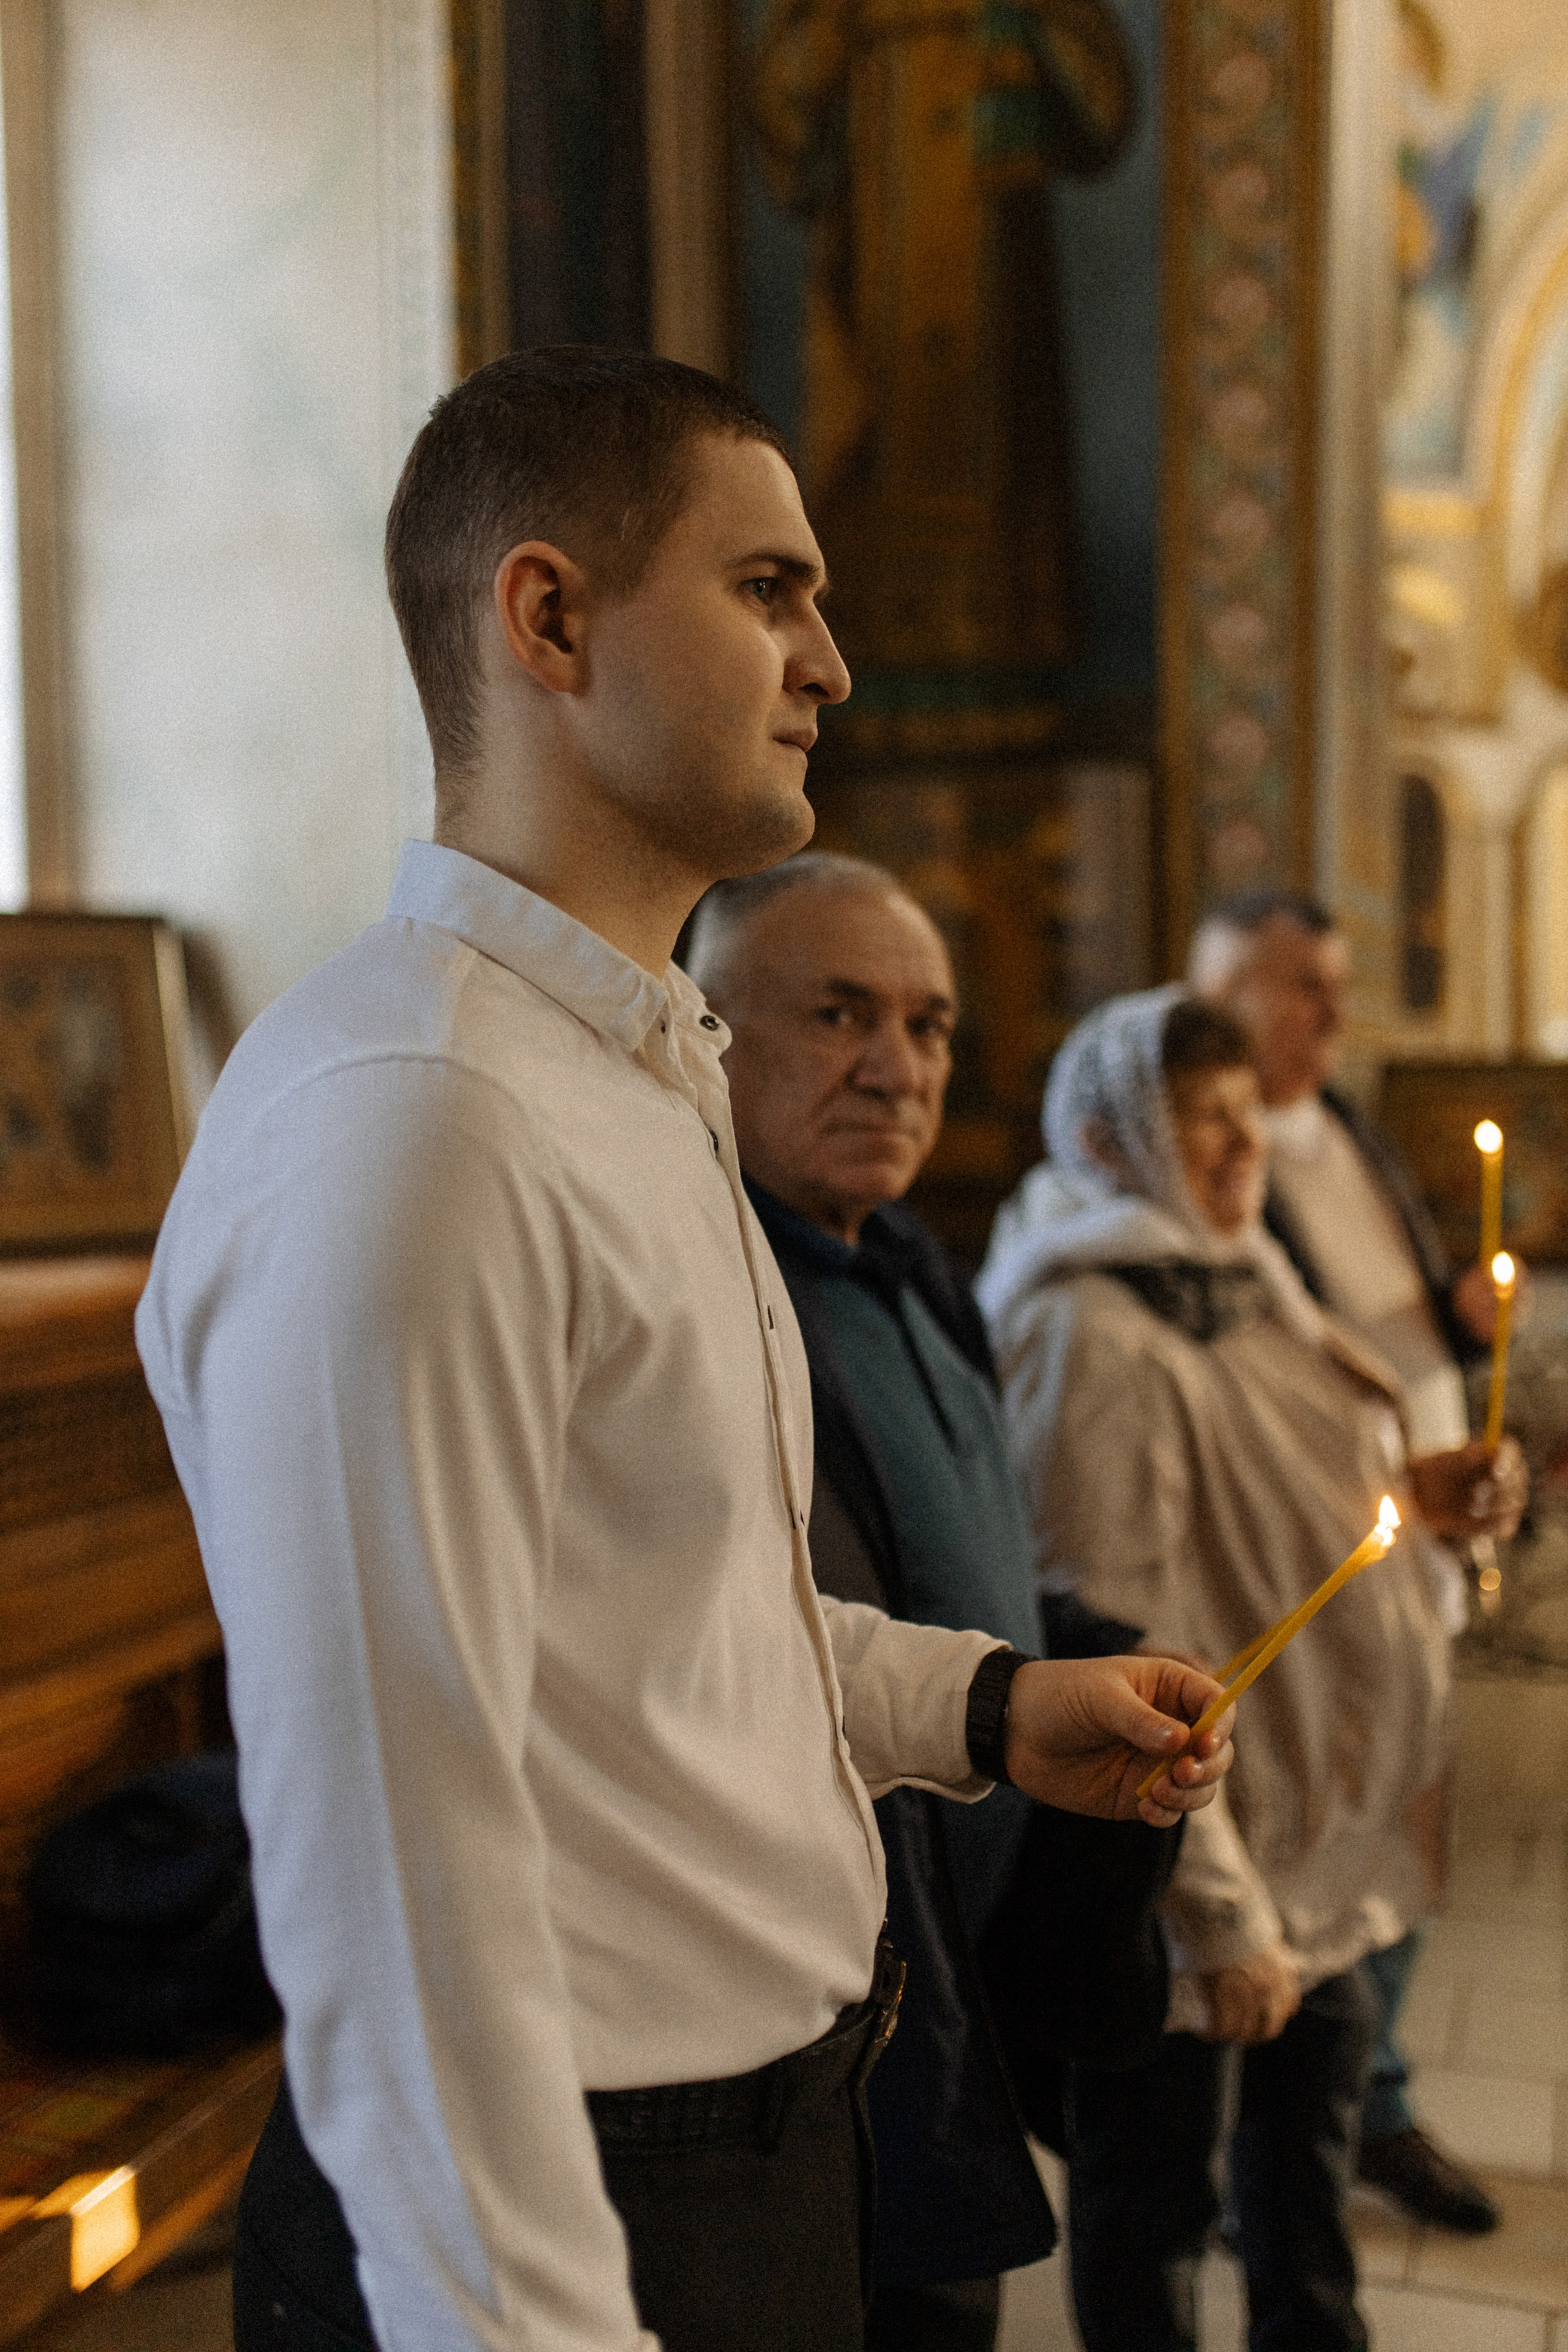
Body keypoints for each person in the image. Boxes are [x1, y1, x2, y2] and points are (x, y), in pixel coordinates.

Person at [135, 350, 1235, 2352]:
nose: (831, 658)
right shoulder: (420, 1122)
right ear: (547, 617)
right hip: (560, 2225)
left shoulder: (631, 1077)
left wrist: (984, 1711)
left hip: (763, 2159)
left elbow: (666, 1629)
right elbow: (398, 1897)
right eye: (768, 589)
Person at [976, 986, 1526, 2352]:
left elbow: (1267, 1498)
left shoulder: (1234, 1270)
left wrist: (1416, 1490)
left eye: (1242, 1118)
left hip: (1311, 1837)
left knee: (1302, 2191)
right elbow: (1107, 1634)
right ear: (1107, 1142)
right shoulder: (1085, 1327)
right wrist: (1215, 1915)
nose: (1238, 1151)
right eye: (1198, 1121)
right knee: (1154, 2206)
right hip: (1197, 1861)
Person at [686, 853, 1177, 2352]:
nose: (895, 1069)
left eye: (930, 1027)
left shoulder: (901, 1257)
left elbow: (964, 1562)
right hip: (831, 2017)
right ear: (705, 1031)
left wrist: (1080, 1655)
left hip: (972, 1952)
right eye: (839, 1015)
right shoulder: (711, 1291)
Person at [1191, 887, 1507, 2233]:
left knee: (1401, 1838)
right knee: (1313, 1853)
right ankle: (1309, 2125)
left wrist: (1455, 1321)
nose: (1331, 1012)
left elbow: (1381, 1329)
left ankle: (1364, 2103)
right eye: (1298, 987)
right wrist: (1392, 1490)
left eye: (1332, 984)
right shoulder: (1215, 1164)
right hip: (1327, 1565)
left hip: (1422, 1544)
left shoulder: (1350, 1134)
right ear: (1221, 1003)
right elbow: (1264, 1391)